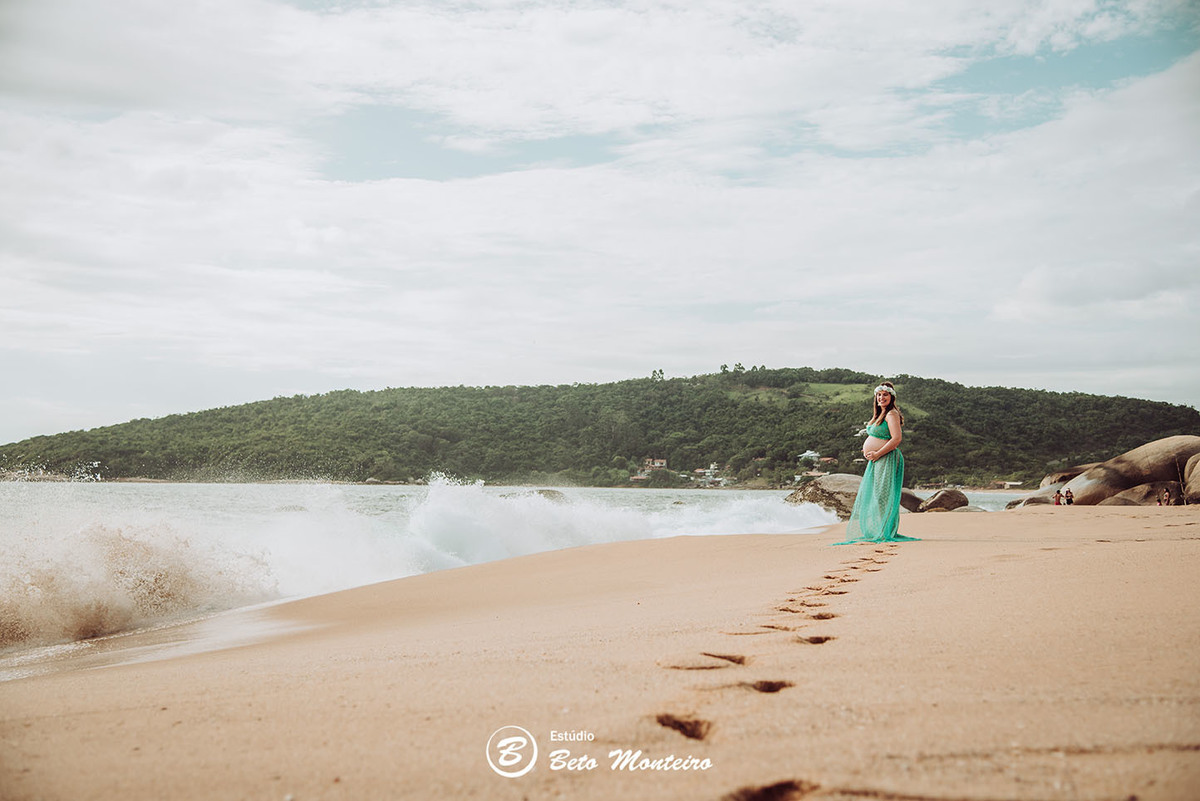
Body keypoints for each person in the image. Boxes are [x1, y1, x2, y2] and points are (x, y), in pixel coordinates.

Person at [834, 381, 918, 544]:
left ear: (891, 397)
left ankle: (883, 530)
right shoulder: (880, 414)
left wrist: (878, 452)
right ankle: (879, 528)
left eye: (885, 395)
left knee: (882, 495)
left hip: (886, 458)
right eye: (879, 395)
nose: (881, 398)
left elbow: (896, 439)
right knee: (876, 494)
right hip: (878, 459)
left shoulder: (891, 414)